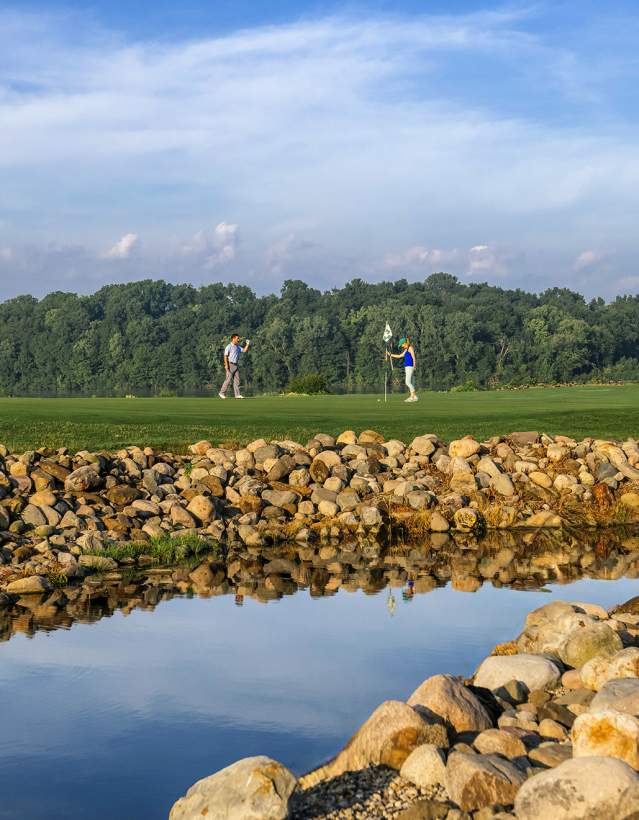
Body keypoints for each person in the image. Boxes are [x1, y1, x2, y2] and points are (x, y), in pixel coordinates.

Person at [219, 333, 250, 399]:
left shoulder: (238, 347)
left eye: (238, 338)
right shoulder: (229, 346)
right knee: (228, 379)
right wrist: (226, 365)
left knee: (237, 380)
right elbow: (225, 356)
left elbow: (244, 350)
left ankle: (237, 395)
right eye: (237, 338)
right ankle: (221, 393)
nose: (238, 339)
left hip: (235, 365)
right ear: (233, 339)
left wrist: (247, 344)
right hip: (230, 364)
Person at [387, 336, 418, 402]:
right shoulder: (406, 350)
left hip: (410, 366)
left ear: (405, 343)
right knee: (409, 382)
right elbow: (399, 356)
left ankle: (414, 396)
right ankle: (412, 396)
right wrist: (390, 355)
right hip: (407, 367)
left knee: (407, 382)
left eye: (402, 345)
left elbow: (413, 357)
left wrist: (414, 365)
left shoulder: (410, 348)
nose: (402, 346)